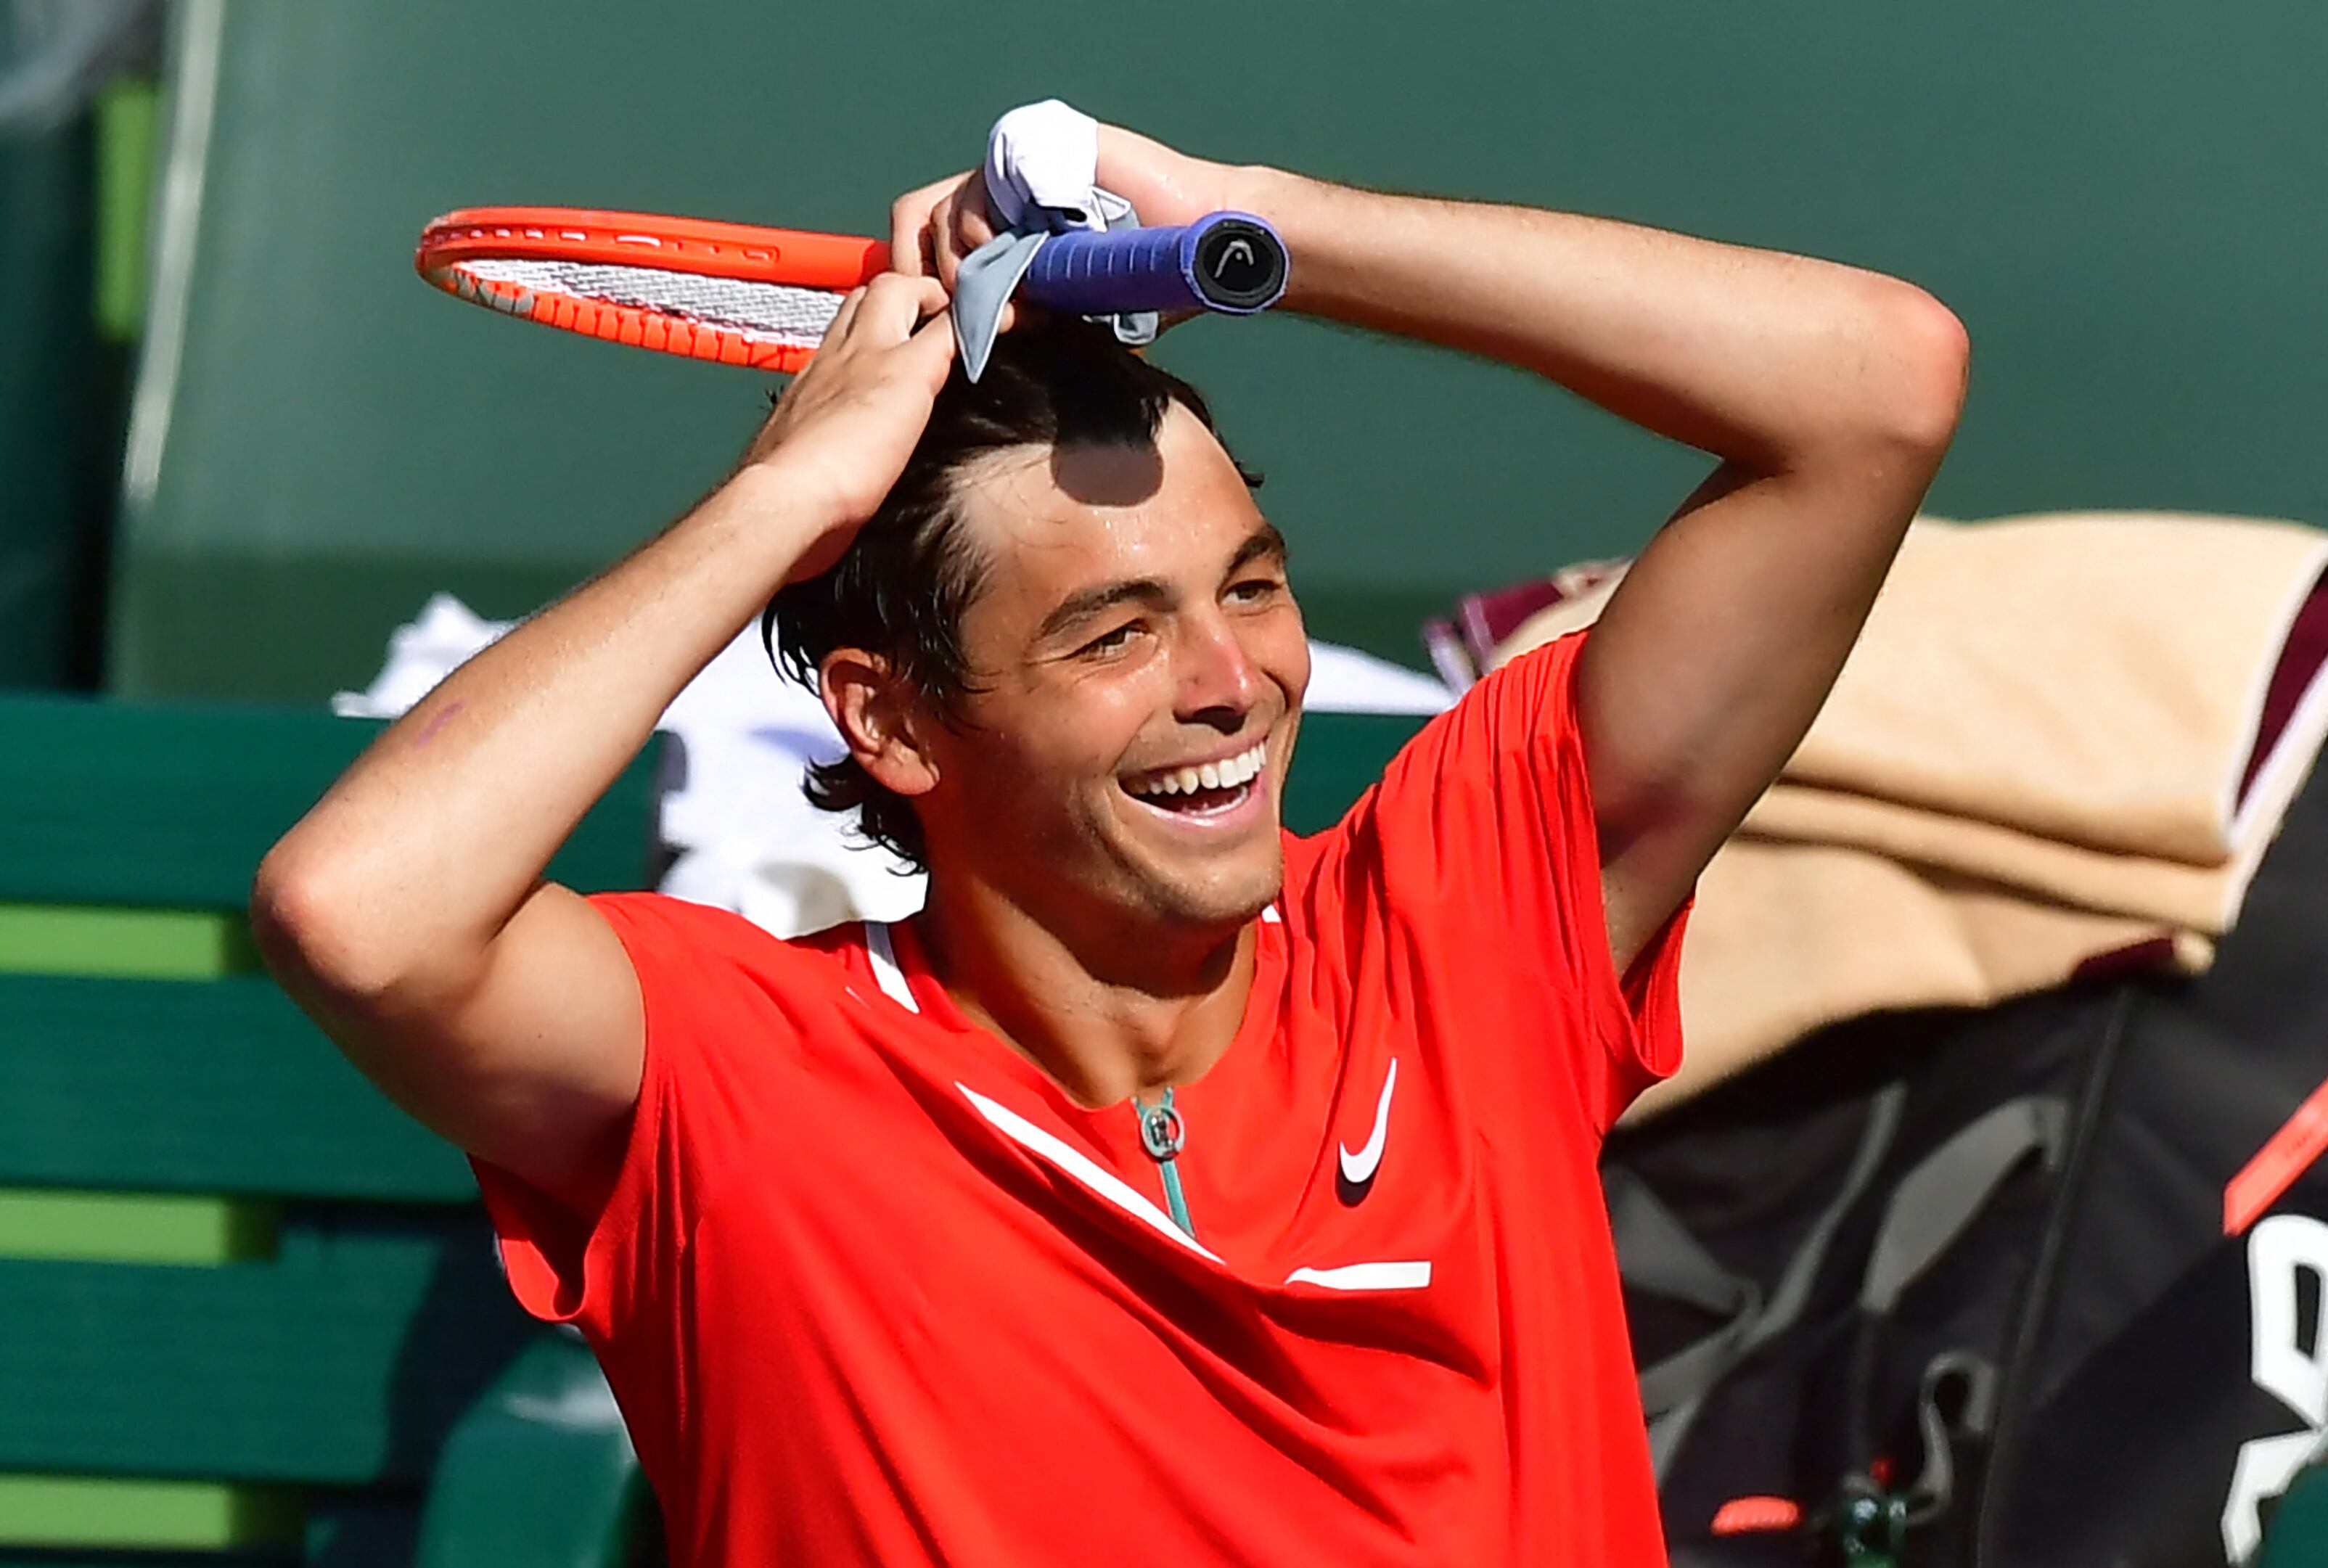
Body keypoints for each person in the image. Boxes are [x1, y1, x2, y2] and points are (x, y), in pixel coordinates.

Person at [253, 115, 1966, 1565]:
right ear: (893, 719)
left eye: (1252, 585)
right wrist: (789, 498)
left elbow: (1873, 388)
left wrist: (1240, 216)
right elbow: (358, 912)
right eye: (1113, 632)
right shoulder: (733, 1070)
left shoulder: (1462, 925)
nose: (1231, 683)